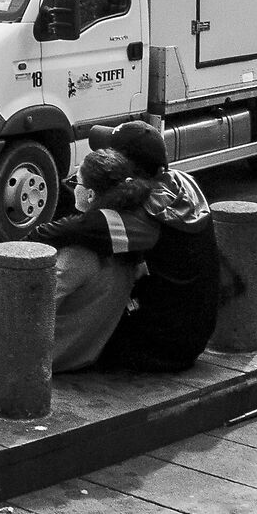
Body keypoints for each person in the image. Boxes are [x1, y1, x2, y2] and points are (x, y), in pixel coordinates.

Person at [30, 122, 221, 372]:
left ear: (125, 168)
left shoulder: (142, 216)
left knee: (92, 262)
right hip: (192, 334)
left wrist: (21, 246)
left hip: (158, 347)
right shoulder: (183, 182)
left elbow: (73, 229)